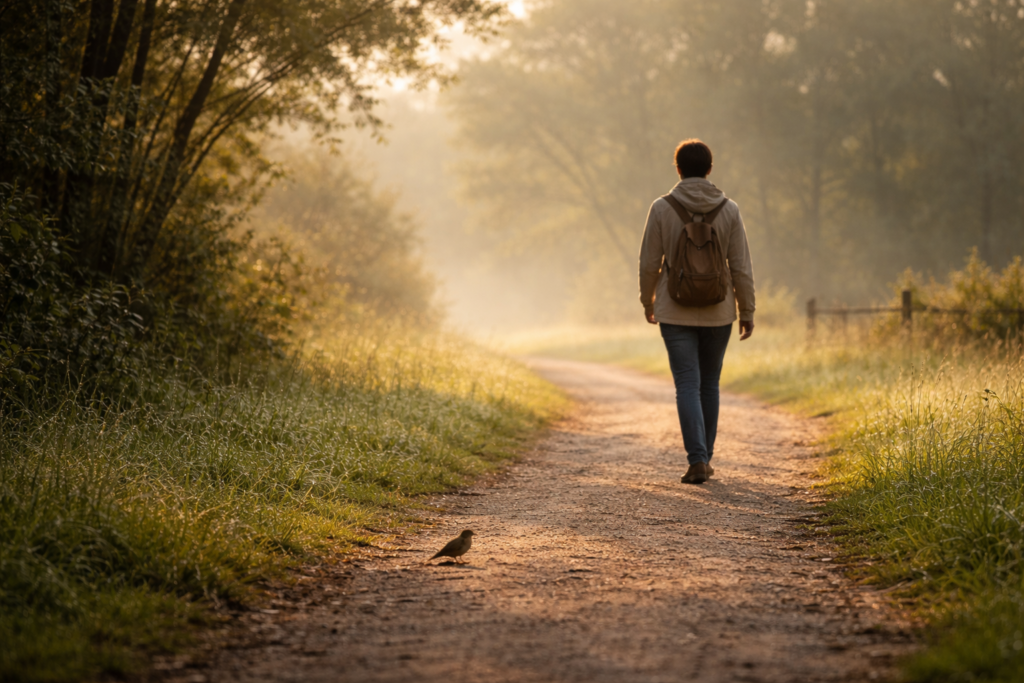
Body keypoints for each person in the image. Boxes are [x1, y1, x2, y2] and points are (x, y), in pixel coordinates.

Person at [638, 139, 755, 485]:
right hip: (719, 311)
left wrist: (648, 302)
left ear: (677, 168)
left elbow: (648, 264)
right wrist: (746, 309)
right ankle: (706, 457)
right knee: (710, 384)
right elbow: (741, 267)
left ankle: (697, 459)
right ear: (709, 170)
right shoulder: (729, 209)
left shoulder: (661, 208)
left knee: (687, 383)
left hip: (674, 310)